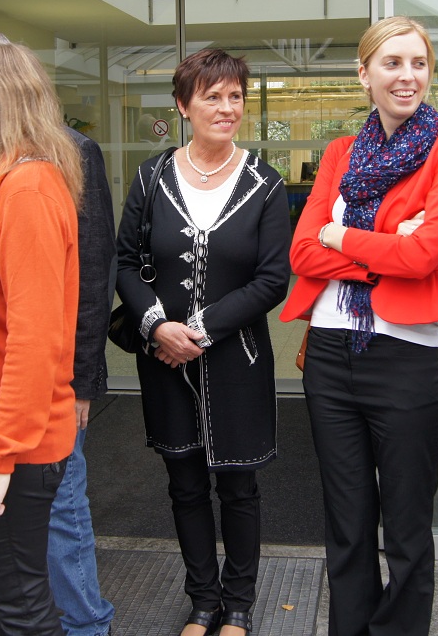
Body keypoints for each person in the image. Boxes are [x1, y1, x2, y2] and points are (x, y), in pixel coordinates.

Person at [280, 17, 438, 635]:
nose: (407, 76)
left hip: (404, 359)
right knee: (347, 526)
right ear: (364, 74)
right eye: (392, 63)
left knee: (408, 533)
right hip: (330, 355)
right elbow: (301, 253)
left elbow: (425, 255)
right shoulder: (339, 153)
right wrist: (388, 245)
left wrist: (341, 236)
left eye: (419, 63)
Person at [0, 29, 116, 636]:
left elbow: (37, 342)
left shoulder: (27, 189)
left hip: (7, 443)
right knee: (3, 593)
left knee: (20, 607)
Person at [115, 48, 291, 636]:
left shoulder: (265, 183)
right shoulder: (151, 177)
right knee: (184, 484)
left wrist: (203, 329)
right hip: (164, 358)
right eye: (211, 96)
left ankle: (238, 606)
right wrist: (156, 326)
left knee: (239, 486)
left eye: (235, 96)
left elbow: (272, 279)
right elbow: (125, 262)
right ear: (183, 105)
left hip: (237, 359)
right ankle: (202, 602)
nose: (226, 107)